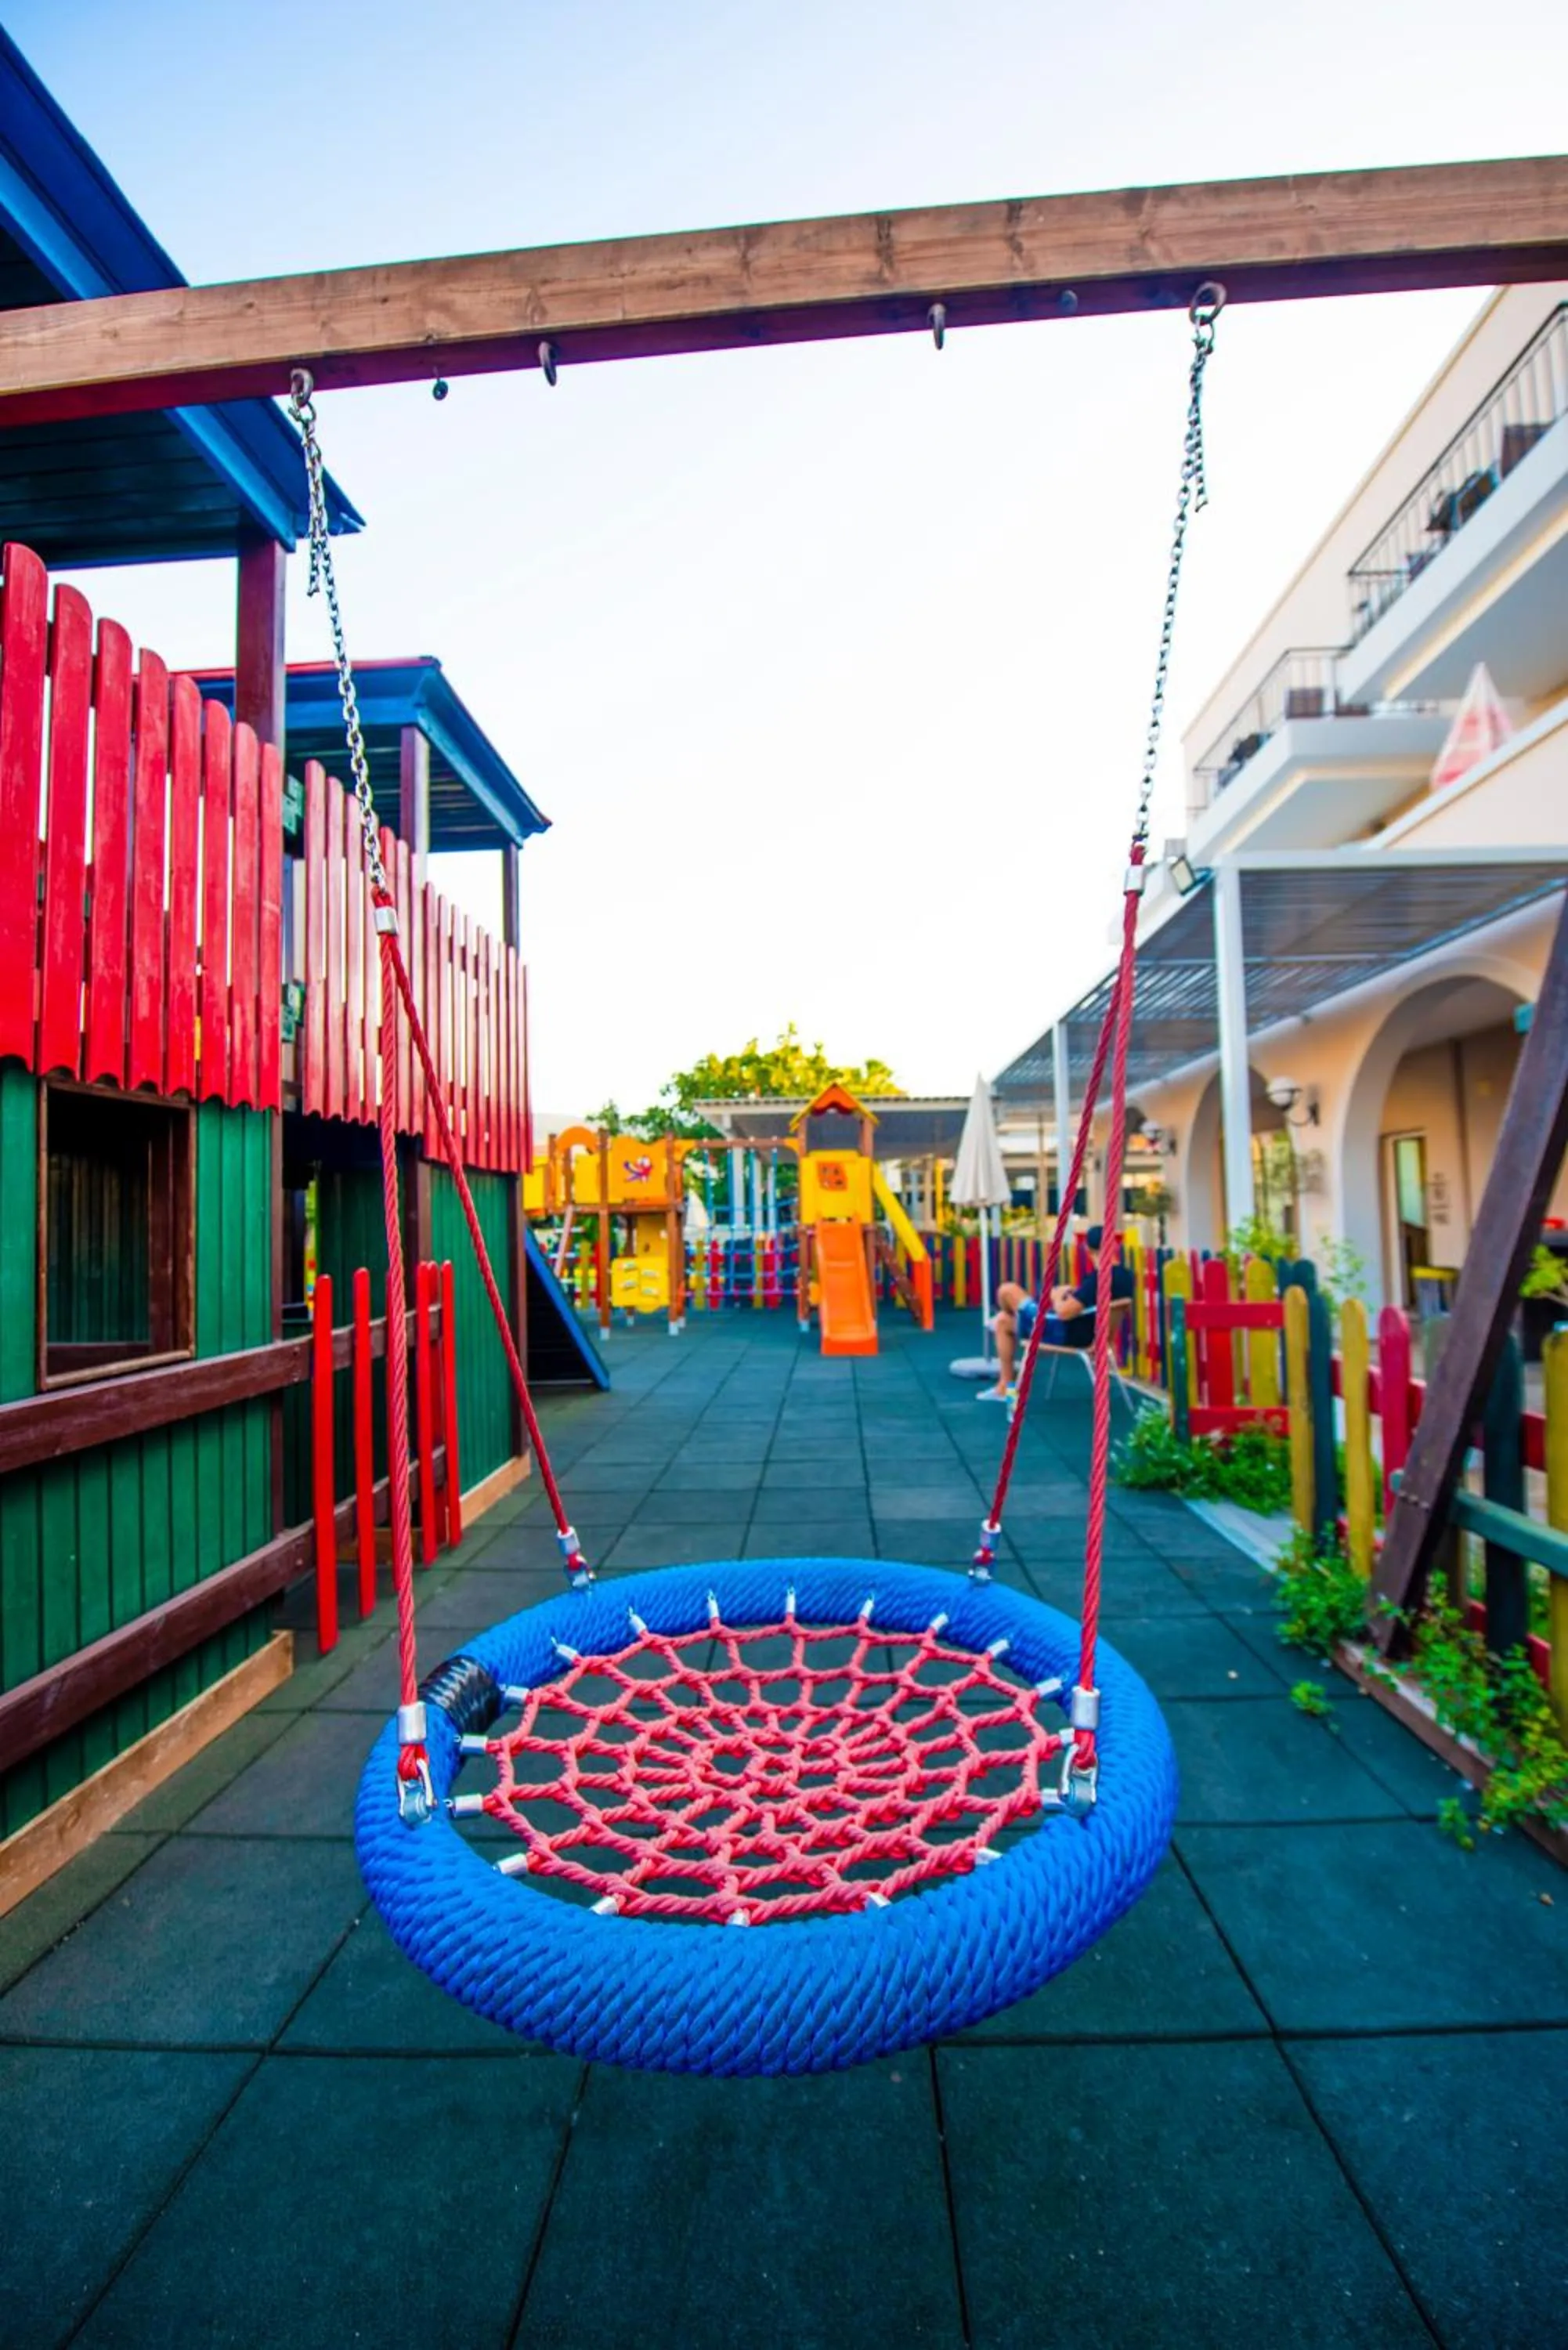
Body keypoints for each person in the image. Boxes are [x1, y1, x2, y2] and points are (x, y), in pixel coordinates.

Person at [977, 1224, 1135, 1400]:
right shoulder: (1126, 1277)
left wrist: (1057, 1296)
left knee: (1007, 1290)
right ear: (1113, 1245)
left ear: (1087, 1248)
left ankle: (1005, 1385)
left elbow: (1063, 1313)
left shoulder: (1098, 1279)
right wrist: (1075, 1293)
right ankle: (1004, 1385)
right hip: (1087, 1334)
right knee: (1003, 1321)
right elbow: (1112, 1305)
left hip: (1062, 1333)